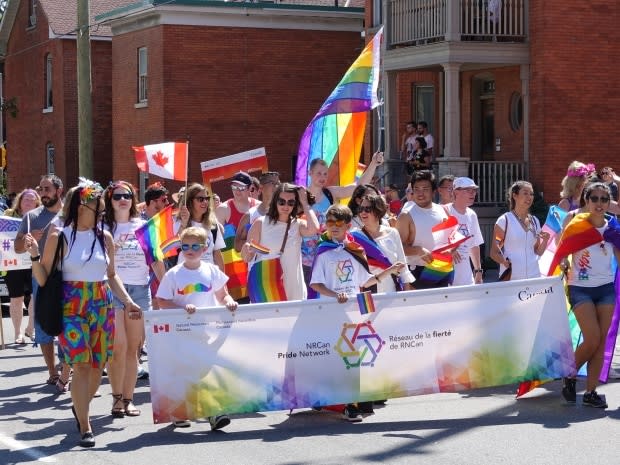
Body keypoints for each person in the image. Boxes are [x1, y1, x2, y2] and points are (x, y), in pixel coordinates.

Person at [25, 179, 142, 447]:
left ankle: (80, 407)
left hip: (101, 302)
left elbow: (112, 276)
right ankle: (85, 425)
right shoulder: (59, 235)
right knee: (80, 364)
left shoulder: (105, 236)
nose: (102, 208)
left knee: (96, 366)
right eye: (96, 203)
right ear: (81, 205)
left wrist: (127, 302)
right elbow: (43, 279)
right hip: (71, 304)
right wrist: (33, 255)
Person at [310, 205, 404, 421]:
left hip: (354, 312)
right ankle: (342, 403)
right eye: (330, 223)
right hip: (332, 312)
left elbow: (365, 281)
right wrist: (335, 295)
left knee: (356, 357)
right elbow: (316, 284)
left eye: (338, 224)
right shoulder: (323, 251)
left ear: (348, 226)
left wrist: (388, 272)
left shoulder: (355, 250)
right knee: (339, 357)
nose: (333, 228)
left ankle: (356, 401)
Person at [156, 226, 238, 429]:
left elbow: (222, 294)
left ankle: (213, 413)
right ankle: (180, 411)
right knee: (185, 372)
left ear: (204, 248)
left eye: (195, 246)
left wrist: (229, 301)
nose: (190, 249)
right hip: (181, 332)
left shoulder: (212, 270)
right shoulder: (173, 274)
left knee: (206, 370)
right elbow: (161, 301)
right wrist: (182, 307)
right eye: (185, 246)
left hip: (206, 331)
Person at [103, 181, 164, 419]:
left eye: (127, 195)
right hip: (112, 290)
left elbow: (156, 260)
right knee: (118, 347)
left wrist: (170, 287)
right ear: (110, 199)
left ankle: (128, 399)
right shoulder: (103, 227)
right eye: (117, 195)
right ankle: (116, 398)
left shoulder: (145, 226)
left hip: (140, 291)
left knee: (134, 349)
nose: (122, 199)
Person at [559, 182, 619, 408]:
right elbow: (562, 250)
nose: (600, 203)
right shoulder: (576, 224)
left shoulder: (613, 227)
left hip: (605, 289)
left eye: (605, 199)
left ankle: (591, 392)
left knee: (601, 343)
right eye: (595, 198)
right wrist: (564, 261)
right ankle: (570, 374)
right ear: (586, 200)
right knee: (592, 337)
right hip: (580, 288)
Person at [302, 151, 384, 289]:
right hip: (305, 258)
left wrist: (374, 163)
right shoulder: (300, 195)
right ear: (310, 173)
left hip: (328, 253)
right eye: (318, 173)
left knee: (330, 293)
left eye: (325, 173)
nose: (322, 177)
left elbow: (358, 187)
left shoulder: (330, 193)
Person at [14, 175, 66, 387]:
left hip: (68, 275)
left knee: (67, 323)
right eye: (40, 189)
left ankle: (67, 368)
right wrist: (27, 241)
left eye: (47, 189)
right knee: (44, 325)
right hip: (41, 275)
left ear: (59, 191)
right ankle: (52, 371)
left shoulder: (70, 214)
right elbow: (17, 248)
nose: (43, 193)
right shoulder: (32, 217)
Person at [242, 183, 319, 301]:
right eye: (281, 201)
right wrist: (246, 249)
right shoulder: (261, 223)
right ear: (275, 201)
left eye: (291, 202)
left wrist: (305, 203)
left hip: (294, 288)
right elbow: (247, 257)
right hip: (268, 287)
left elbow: (314, 229)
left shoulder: (297, 224)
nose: (286, 206)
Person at [396, 170, 449, 289]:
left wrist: (453, 247)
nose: (420, 193)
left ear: (434, 191)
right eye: (417, 189)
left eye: (425, 189)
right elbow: (397, 248)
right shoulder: (406, 215)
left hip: (442, 268)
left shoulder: (443, 211)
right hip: (417, 272)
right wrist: (418, 250)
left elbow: (451, 238)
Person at [352, 193, 414, 293]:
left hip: (393, 289)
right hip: (369, 292)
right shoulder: (355, 237)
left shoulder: (392, 232)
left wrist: (406, 294)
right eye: (361, 209)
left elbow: (403, 266)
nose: (363, 212)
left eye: (367, 209)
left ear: (378, 210)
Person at [490, 181, 550, 280]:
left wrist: (546, 240)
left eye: (531, 194)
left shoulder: (535, 221)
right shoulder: (504, 221)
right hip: (513, 278)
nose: (529, 197)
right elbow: (494, 252)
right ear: (515, 196)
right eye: (525, 193)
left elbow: (538, 252)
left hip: (534, 276)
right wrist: (504, 262)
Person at [215, 172, 260, 301]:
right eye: (234, 187)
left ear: (250, 188)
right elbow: (215, 243)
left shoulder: (259, 207)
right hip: (233, 271)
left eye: (241, 188)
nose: (237, 191)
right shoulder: (223, 209)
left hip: (255, 265)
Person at [4, 188, 40, 344]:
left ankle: (30, 328)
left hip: (34, 261)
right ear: (20, 201)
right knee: (16, 298)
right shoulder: (8, 216)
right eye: (26, 199)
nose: (29, 202)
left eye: (32, 199)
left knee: (35, 296)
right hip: (13, 263)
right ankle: (18, 333)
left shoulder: (40, 218)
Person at [444, 178, 485, 286]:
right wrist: (449, 249)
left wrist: (478, 271)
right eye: (468, 190)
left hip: (466, 276)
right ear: (456, 192)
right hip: (445, 275)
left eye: (474, 190)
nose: (473, 194)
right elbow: (433, 241)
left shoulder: (472, 214)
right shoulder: (444, 211)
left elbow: (474, 244)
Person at [177, 183, 225, 271]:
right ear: (190, 202)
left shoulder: (213, 224)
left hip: (208, 276)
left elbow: (217, 253)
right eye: (200, 199)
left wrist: (223, 281)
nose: (205, 202)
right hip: (186, 276)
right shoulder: (179, 222)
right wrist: (184, 223)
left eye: (207, 199)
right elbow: (176, 246)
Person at [234, 171, 280, 253]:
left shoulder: (285, 212)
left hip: (281, 263)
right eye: (272, 183)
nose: (277, 186)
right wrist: (258, 239)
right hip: (259, 265)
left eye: (278, 183)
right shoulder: (250, 215)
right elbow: (237, 246)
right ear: (261, 188)